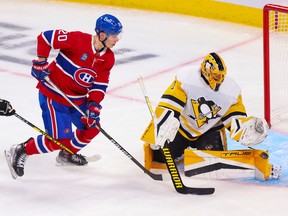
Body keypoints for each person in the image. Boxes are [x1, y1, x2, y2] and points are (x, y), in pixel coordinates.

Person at [4, 14, 123, 178]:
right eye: (114, 35)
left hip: (78, 100)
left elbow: (99, 84)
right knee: (58, 140)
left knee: (92, 128)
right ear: (102, 35)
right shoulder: (77, 40)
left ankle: (66, 155)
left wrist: (94, 105)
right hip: (54, 96)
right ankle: (21, 149)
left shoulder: (108, 58)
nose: (117, 39)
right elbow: (46, 38)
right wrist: (41, 62)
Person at [141, 52, 281, 180]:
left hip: (210, 131)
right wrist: (158, 130)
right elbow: (169, 106)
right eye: (216, 75)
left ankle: (195, 149)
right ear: (206, 71)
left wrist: (245, 129)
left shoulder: (231, 90)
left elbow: (234, 120)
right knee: (160, 157)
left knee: (213, 159)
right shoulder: (186, 79)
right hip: (183, 128)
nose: (220, 79)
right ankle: (182, 149)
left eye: (222, 75)